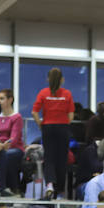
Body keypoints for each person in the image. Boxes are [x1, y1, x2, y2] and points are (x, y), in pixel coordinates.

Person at [32, 68, 74, 199]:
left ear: (47, 79)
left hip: (48, 127)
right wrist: (65, 123)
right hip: (63, 127)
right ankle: (60, 190)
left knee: (49, 158)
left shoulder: (43, 93)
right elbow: (71, 115)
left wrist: (40, 124)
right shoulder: (67, 94)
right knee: (62, 159)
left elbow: (34, 112)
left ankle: (49, 184)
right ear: (62, 80)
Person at [0, 88, 25, 195]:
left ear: (10, 100)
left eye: (1, 98)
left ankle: (3, 187)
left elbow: (14, 139)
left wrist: (2, 146)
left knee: (5, 155)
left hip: (14, 148)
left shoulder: (16, 117)